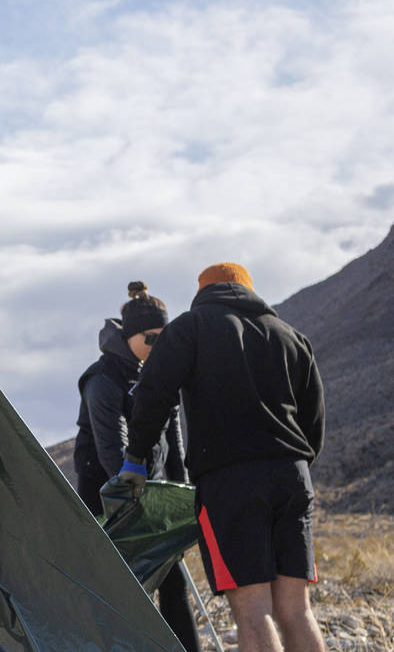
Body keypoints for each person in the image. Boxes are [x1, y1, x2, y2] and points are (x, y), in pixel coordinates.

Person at [120, 263, 325, 652]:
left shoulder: (191, 328)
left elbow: (153, 394)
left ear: (203, 292)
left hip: (230, 484)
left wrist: (136, 458)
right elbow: (314, 421)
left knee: (253, 611)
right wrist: (294, 466)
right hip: (293, 477)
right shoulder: (291, 337)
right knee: (296, 609)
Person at [73, 282, 200, 652]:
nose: (159, 345)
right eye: (151, 337)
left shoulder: (158, 374)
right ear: (129, 336)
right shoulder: (102, 379)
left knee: (173, 583)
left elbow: (174, 438)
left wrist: (182, 491)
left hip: (152, 497)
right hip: (108, 502)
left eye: (165, 337)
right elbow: (112, 447)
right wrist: (132, 497)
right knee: (119, 590)